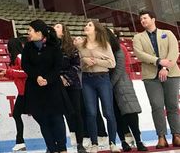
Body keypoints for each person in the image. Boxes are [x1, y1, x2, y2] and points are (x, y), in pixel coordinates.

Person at [133, 10, 180, 148]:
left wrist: (166, 68)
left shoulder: (168, 33)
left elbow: (174, 51)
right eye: (141, 19)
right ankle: (161, 137)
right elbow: (140, 55)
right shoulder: (138, 38)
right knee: (157, 106)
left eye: (145, 18)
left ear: (153, 19)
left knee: (172, 106)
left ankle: (177, 135)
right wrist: (158, 61)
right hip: (151, 77)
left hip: (171, 74)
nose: (143, 21)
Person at [22, 19, 66, 153]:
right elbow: (25, 65)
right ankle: (52, 148)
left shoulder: (54, 46)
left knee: (57, 117)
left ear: (38, 32)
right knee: (42, 118)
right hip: (35, 88)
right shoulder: (28, 47)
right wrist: (37, 77)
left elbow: (58, 66)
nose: (28, 33)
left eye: (30, 30)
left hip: (52, 87)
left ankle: (62, 148)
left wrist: (48, 79)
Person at [77, 21, 119, 153]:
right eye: (86, 25)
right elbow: (81, 67)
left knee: (108, 112)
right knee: (91, 112)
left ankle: (112, 142)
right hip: (87, 79)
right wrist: (85, 62)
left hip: (103, 78)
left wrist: (96, 61)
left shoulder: (104, 44)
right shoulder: (81, 45)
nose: (86, 27)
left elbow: (112, 63)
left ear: (96, 30)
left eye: (89, 25)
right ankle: (94, 143)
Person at [106, 28, 147, 152]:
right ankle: (124, 141)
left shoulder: (119, 48)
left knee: (130, 113)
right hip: (109, 87)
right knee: (116, 115)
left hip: (121, 85)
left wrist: (109, 84)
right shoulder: (102, 49)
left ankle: (138, 140)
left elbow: (121, 68)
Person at [54, 23, 85, 153]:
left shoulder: (71, 48)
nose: (54, 29)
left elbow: (77, 66)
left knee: (76, 113)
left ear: (63, 31)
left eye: (57, 27)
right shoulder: (50, 47)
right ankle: (60, 145)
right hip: (56, 84)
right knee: (60, 115)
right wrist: (59, 78)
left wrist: (66, 78)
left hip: (73, 84)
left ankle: (80, 143)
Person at [2, 37, 27, 152]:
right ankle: (20, 142)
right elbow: (16, 74)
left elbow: (26, 72)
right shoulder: (15, 58)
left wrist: (9, 72)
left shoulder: (19, 57)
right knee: (16, 114)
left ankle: (20, 141)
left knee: (17, 114)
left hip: (27, 92)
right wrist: (6, 74)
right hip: (22, 92)